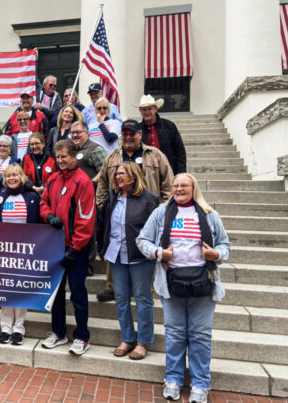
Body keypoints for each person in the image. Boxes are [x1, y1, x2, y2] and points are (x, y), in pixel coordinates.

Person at [136, 173, 231, 403]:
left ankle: (200, 384)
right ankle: (174, 379)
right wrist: (160, 253)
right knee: (175, 334)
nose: (179, 189)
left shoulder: (209, 215)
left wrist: (215, 254)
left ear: (193, 188)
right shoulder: (161, 213)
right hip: (171, 283)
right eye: (176, 185)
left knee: (200, 335)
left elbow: (225, 245)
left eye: (184, 185)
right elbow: (142, 240)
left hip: (203, 282)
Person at [95, 119, 173, 303]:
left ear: (140, 135)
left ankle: (147, 285)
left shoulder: (155, 155)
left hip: (148, 213)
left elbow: (168, 184)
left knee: (147, 247)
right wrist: (103, 207)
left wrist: (163, 211)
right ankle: (112, 286)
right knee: (116, 242)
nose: (128, 137)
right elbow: (103, 184)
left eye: (132, 134)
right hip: (118, 208)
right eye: (125, 134)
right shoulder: (112, 157)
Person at [97, 162, 161, 361]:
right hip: (116, 254)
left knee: (142, 298)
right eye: (116, 174)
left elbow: (157, 229)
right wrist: (102, 246)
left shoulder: (149, 199)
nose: (118, 177)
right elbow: (104, 223)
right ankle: (127, 338)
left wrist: (155, 251)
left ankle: (143, 342)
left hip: (140, 256)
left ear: (133, 175)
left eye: (122, 173)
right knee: (122, 299)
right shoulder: (112, 198)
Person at [40, 140, 96, 355]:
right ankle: (58, 333)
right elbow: (43, 202)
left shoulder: (83, 181)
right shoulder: (53, 178)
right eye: (58, 156)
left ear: (73, 156)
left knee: (78, 294)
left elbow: (86, 218)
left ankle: (82, 337)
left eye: (64, 156)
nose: (60, 160)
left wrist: (75, 248)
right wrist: (49, 215)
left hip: (75, 250)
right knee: (55, 294)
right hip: (54, 246)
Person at [0, 164, 40, 345]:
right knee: (5, 288)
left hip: (25, 251)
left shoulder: (31, 196)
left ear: (22, 177)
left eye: (15, 175)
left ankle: (19, 328)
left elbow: (36, 224)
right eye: (8, 175)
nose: (12, 178)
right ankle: (5, 327)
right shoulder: (0, 197)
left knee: (20, 289)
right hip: (4, 250)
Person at [139, 94, 187, 175]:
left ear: (155, 109)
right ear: (140, 111)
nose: (147, 112)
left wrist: (181, 173)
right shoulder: (138, 129)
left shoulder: (169, 126)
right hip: (146, 172)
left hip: (168, 170)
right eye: (143, 109)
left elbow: (180, 151)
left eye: (149, 109)